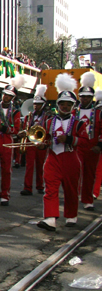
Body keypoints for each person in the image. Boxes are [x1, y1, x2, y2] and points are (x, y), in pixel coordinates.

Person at [37, 74, 85, 231]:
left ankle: (71, 215)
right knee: (49, 188)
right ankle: (50, 218)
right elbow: (44, 138)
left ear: (73, 106)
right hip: (52, 159)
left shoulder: (78, 123)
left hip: (71, 159)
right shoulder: (49, 121)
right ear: (57, 104)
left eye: (68, 104)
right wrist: (42, 145)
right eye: (62, 104)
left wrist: (70, 139)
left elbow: (85, 142)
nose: (65, 107)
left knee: (71, 190)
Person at [0, 76, 24, 206]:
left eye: (9, 96)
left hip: (7, 141)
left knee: (6, 170)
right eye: (5, 94)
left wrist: (2, 127)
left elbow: (16, 130)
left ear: (13, 98)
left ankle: (5, 194)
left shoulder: (15, 111)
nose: (6, 97)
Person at [74, 71, 101, 210]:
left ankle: (87, 199)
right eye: (82, 97)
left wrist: (100, 145)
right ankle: (74, 197)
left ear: (92, 98)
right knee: (75, 174)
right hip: (77, 147)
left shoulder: (98, 112)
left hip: (92, 147)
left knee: (89, 175)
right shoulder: (74, 111)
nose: (84, 99)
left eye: (87, 97)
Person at [21, 85, 49, 196]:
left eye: (38, 104)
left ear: (43, 105)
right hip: (31, 143)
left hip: (41, 143)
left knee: (41, 165)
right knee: (29, 166)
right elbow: (25, 128)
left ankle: (40, 185)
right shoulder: (29, 117)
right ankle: (27, 187)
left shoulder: (47, 117)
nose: (36, 106)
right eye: (35, 104)